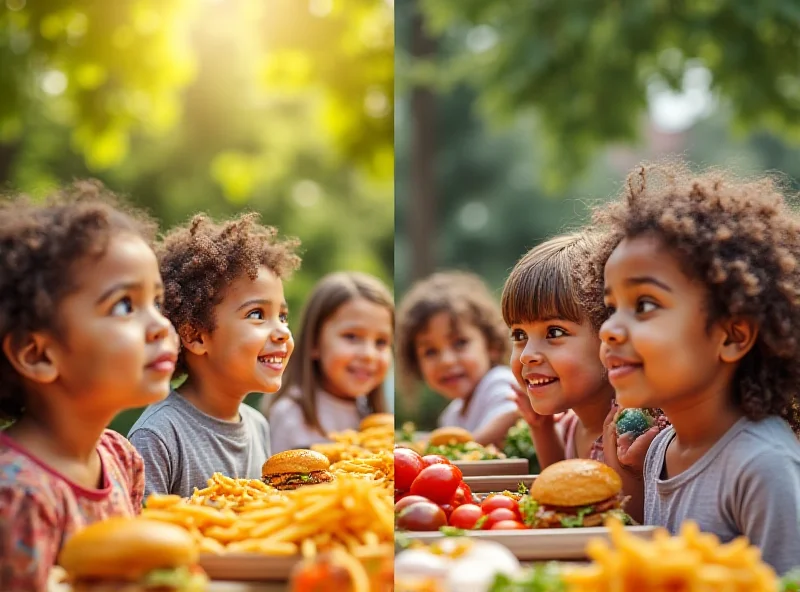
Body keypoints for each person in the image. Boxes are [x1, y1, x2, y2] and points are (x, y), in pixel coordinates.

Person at [588, 161, 800, 575]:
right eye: (611, 308)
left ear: (732, 335)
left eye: (644, 305)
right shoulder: (662, 450)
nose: (610, 329)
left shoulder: (762, 466)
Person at [0, 182, 178, 591]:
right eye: (124, 306)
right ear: (38, 354)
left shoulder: (121, 458)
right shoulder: (17, 497)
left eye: (157, 301)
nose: (160, 327)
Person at [128, 213, 300, 498]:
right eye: (257, 314)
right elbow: (144, 537)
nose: (282, 331)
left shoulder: (258, 425)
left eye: (282, 316)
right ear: (196, 336)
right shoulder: (158, 436)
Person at [264, 272, 393, 453]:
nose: (369, 355)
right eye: (352, 337)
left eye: (381, 342)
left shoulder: (372, 417)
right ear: (314, 342)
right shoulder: (291, 415)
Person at [396, 271, 518, 447]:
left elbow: (511, 414)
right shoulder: (452, 415)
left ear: (492, 345)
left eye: (460, 343)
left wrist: (425, 448)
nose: (446, 361)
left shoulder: (499, 381)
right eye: (430, 352)